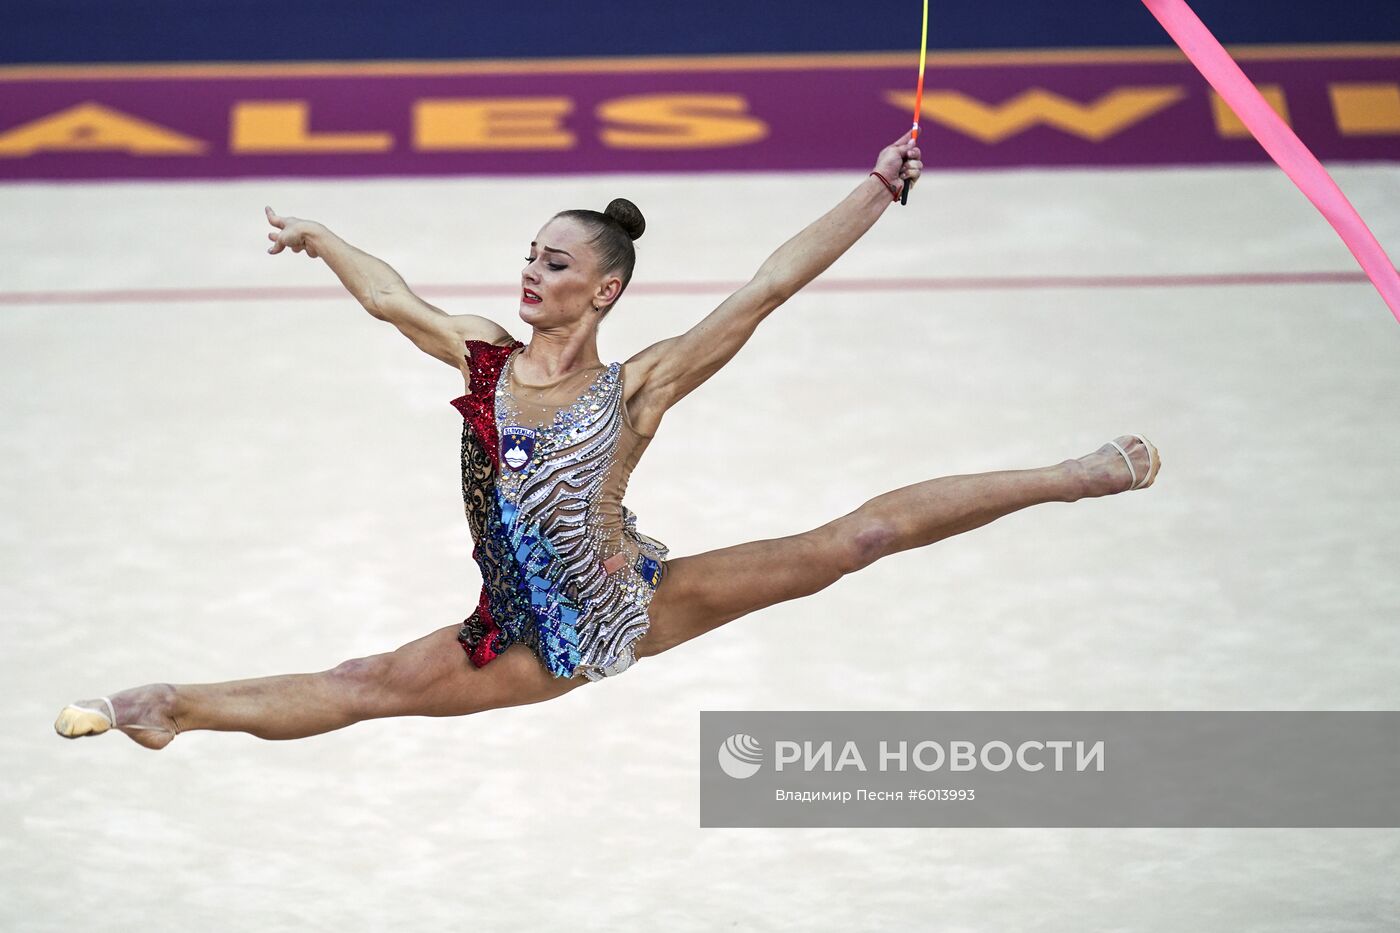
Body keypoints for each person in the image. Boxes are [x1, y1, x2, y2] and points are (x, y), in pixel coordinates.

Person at [54, 131, 1160, 749]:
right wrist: (322, 235)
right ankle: (168, 707)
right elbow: (394, 301)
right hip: (522, 635)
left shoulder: (636, 388)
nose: (529, 273)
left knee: (854, 540)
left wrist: (873, 187)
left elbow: (768, 286)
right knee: (362, 684)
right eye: (528, 255)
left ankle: (1077, 476)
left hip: (635, 594)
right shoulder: (483, 357)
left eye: (554, 264)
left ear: (605, 289)